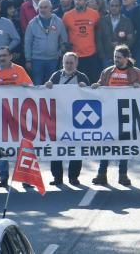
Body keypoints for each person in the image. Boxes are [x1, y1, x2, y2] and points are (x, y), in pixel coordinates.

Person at [91, 45, 140, 187]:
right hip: (109, 114)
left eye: (119, 57)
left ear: (126, 58)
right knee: (106, 144)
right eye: (115, 57)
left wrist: (139, 88)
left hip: (127, 115)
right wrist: (96, 86)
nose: (116, 59)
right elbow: (100, 84)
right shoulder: (107, 71)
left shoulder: (136, 72)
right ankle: (101, 174)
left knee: (124, 146)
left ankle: (123, 175)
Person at [0, 46, 32, 188]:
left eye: (4, 55)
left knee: (21, 147)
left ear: (10, 57)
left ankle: (25, 178)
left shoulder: (20, 70)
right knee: (1, 147)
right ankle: (3, 177)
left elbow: (31, 88)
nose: (1, 58)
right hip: (1, 119)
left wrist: (26, 87)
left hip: (18, 117)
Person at [45, 52, 90, 186]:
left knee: (76, 148)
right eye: (66, 63)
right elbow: (46, 94)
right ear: (63, 63)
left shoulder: (82, 77)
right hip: (58, 118)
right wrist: (47, 86)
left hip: (77, 119)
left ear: (76, 63)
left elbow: (92, 97)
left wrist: (85, 89)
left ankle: (73, 177)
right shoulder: (56, 75)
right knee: (56, 148)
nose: (69, 65)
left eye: (71, 63)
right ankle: (57, 177)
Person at [24, 0, 68, 85]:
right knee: (37, 84)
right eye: (41, 7)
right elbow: (27, 43)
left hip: (53, 59)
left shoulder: (58, 21)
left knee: (51, 85)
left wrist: (60, 53)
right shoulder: (32, 23)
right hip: (37, 60)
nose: (43, 10)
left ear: (50, 8)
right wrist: (28, 59)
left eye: (45, 7)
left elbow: (64, 40)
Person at [63, 0, 101, 83]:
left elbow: (98, 31)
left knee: (91, 81)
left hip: (91, 54)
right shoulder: (67, 16)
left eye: (80, 0)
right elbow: (63, 34)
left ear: (86, 1)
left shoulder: (94, 14)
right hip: (75, 55)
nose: (77, 2)